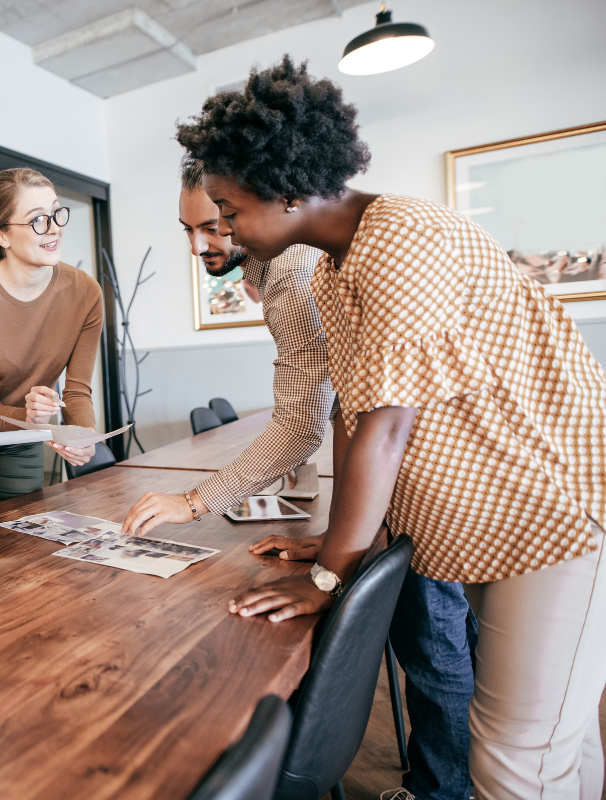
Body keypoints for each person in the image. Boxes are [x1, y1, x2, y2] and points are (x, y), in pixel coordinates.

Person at [189, 57, 606, 799]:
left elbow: (386, 427)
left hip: (556, 512)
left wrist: (330, 577)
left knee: (514, 761)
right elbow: (355, 414)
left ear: (284, 187)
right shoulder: (330, 268)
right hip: (497, 521)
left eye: (228, 209)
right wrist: (336, 542)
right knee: (554, 746)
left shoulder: (403, 239)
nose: (223, 231)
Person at [121, 158, 331, 539]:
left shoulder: (291, 274)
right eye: (188, 230)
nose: (196, 247)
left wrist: (191, 502)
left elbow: (301, 426)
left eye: (212, 226)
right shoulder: (282, 266)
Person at [0, 168, 103, 515]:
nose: (54, 227)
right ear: (1, 235)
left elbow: (76, 391)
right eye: (38, 220)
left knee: (23, 532)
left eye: (56, 213)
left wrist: (82, 434)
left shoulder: (85, 292)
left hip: (27, 430)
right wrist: (35, 419)